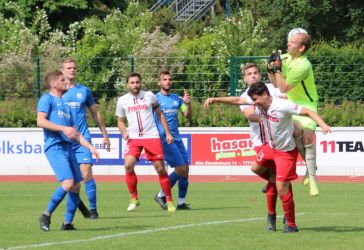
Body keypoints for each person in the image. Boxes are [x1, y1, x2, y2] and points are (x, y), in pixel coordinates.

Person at [204, 81, 331, 232]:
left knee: (282, 189)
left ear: (265, 94)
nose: (255, 104)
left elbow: (309, 112)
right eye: (253, 100)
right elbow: (238, 100)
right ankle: (273, 180)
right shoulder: (260, 102)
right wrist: (216, 100)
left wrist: (323, 125)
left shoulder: (283, 105)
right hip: (271, 148)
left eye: (256, 100)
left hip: (285, 153)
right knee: (255, 168)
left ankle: (291, 224)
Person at [37, 71, 100, 231]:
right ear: (53, 84)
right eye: (62, 79)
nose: (66, 82)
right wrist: (63, 128)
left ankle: (67, 223)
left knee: (76, 186)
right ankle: (46, 214)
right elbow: (40, 121)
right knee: (68, 183)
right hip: (55, 146)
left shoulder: (65, 106)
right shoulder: (47, 98)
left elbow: (75, 133)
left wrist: (91, 147)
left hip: (68, 147)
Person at [268, 31, 320, 197]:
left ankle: (312, 177)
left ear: (302, 47)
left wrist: (277, 69)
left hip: (308, 103)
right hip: (290, 102)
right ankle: (310, 167)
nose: (288, 44)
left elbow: (283, 87)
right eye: (288, 41)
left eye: (292, 42)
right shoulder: (285, 58)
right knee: (296, 132)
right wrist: (270, 68)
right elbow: (276, 84)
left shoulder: (303, 65)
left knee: (307, 137)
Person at [115, 72, 176, 212]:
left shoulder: (149, 95)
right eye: (132, 83)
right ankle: (134, 199)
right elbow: (120, 121)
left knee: (160, 168)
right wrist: (124, 132)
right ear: (127, 84)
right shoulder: (122, 100)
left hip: (151, 136)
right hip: (134, 138)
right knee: (128, 165)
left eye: (137, 82)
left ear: (140, 83)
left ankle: (169, 200)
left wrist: (167, 132)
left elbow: (160, 114)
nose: (135, 85)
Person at [62, 58, 111, 219]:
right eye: (68, 68)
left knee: (86, 175)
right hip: (64, 141)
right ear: (62, 71)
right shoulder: (57, 92)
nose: (72, 70)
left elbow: (95, 113)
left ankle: (93, 210)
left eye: (74, 67)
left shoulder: (84, 91)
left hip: (82, 139)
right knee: (70, 181)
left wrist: (105, 134)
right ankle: (79, 207)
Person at [153, 70, 192, 210]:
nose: (167, 81)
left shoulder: (176, 99)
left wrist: (187, 103)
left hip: (177, 138)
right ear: (159, 82)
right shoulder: (154, 99)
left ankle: (181, 202)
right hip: (165, 139)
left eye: (169, 79)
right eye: (164, 79)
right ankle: (161, 193)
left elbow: (187, 115)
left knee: (185, 169)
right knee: (180, 168)